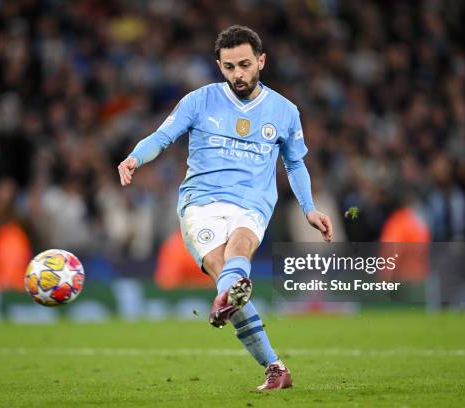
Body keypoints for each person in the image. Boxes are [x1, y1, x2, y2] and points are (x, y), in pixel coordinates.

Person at [118, 25, 333, 391]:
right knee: (224, 271)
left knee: (240, 246)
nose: (238, 74)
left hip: (253, 201)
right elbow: (162, 136)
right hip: (200, 201)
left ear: (261, 61)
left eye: (245, 65)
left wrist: (309, 208)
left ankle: (232, 299)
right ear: (220, 66)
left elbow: (295, 164)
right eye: (230, 67)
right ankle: (274, 365)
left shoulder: (284, 111)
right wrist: (135, 158)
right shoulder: (198, 101)